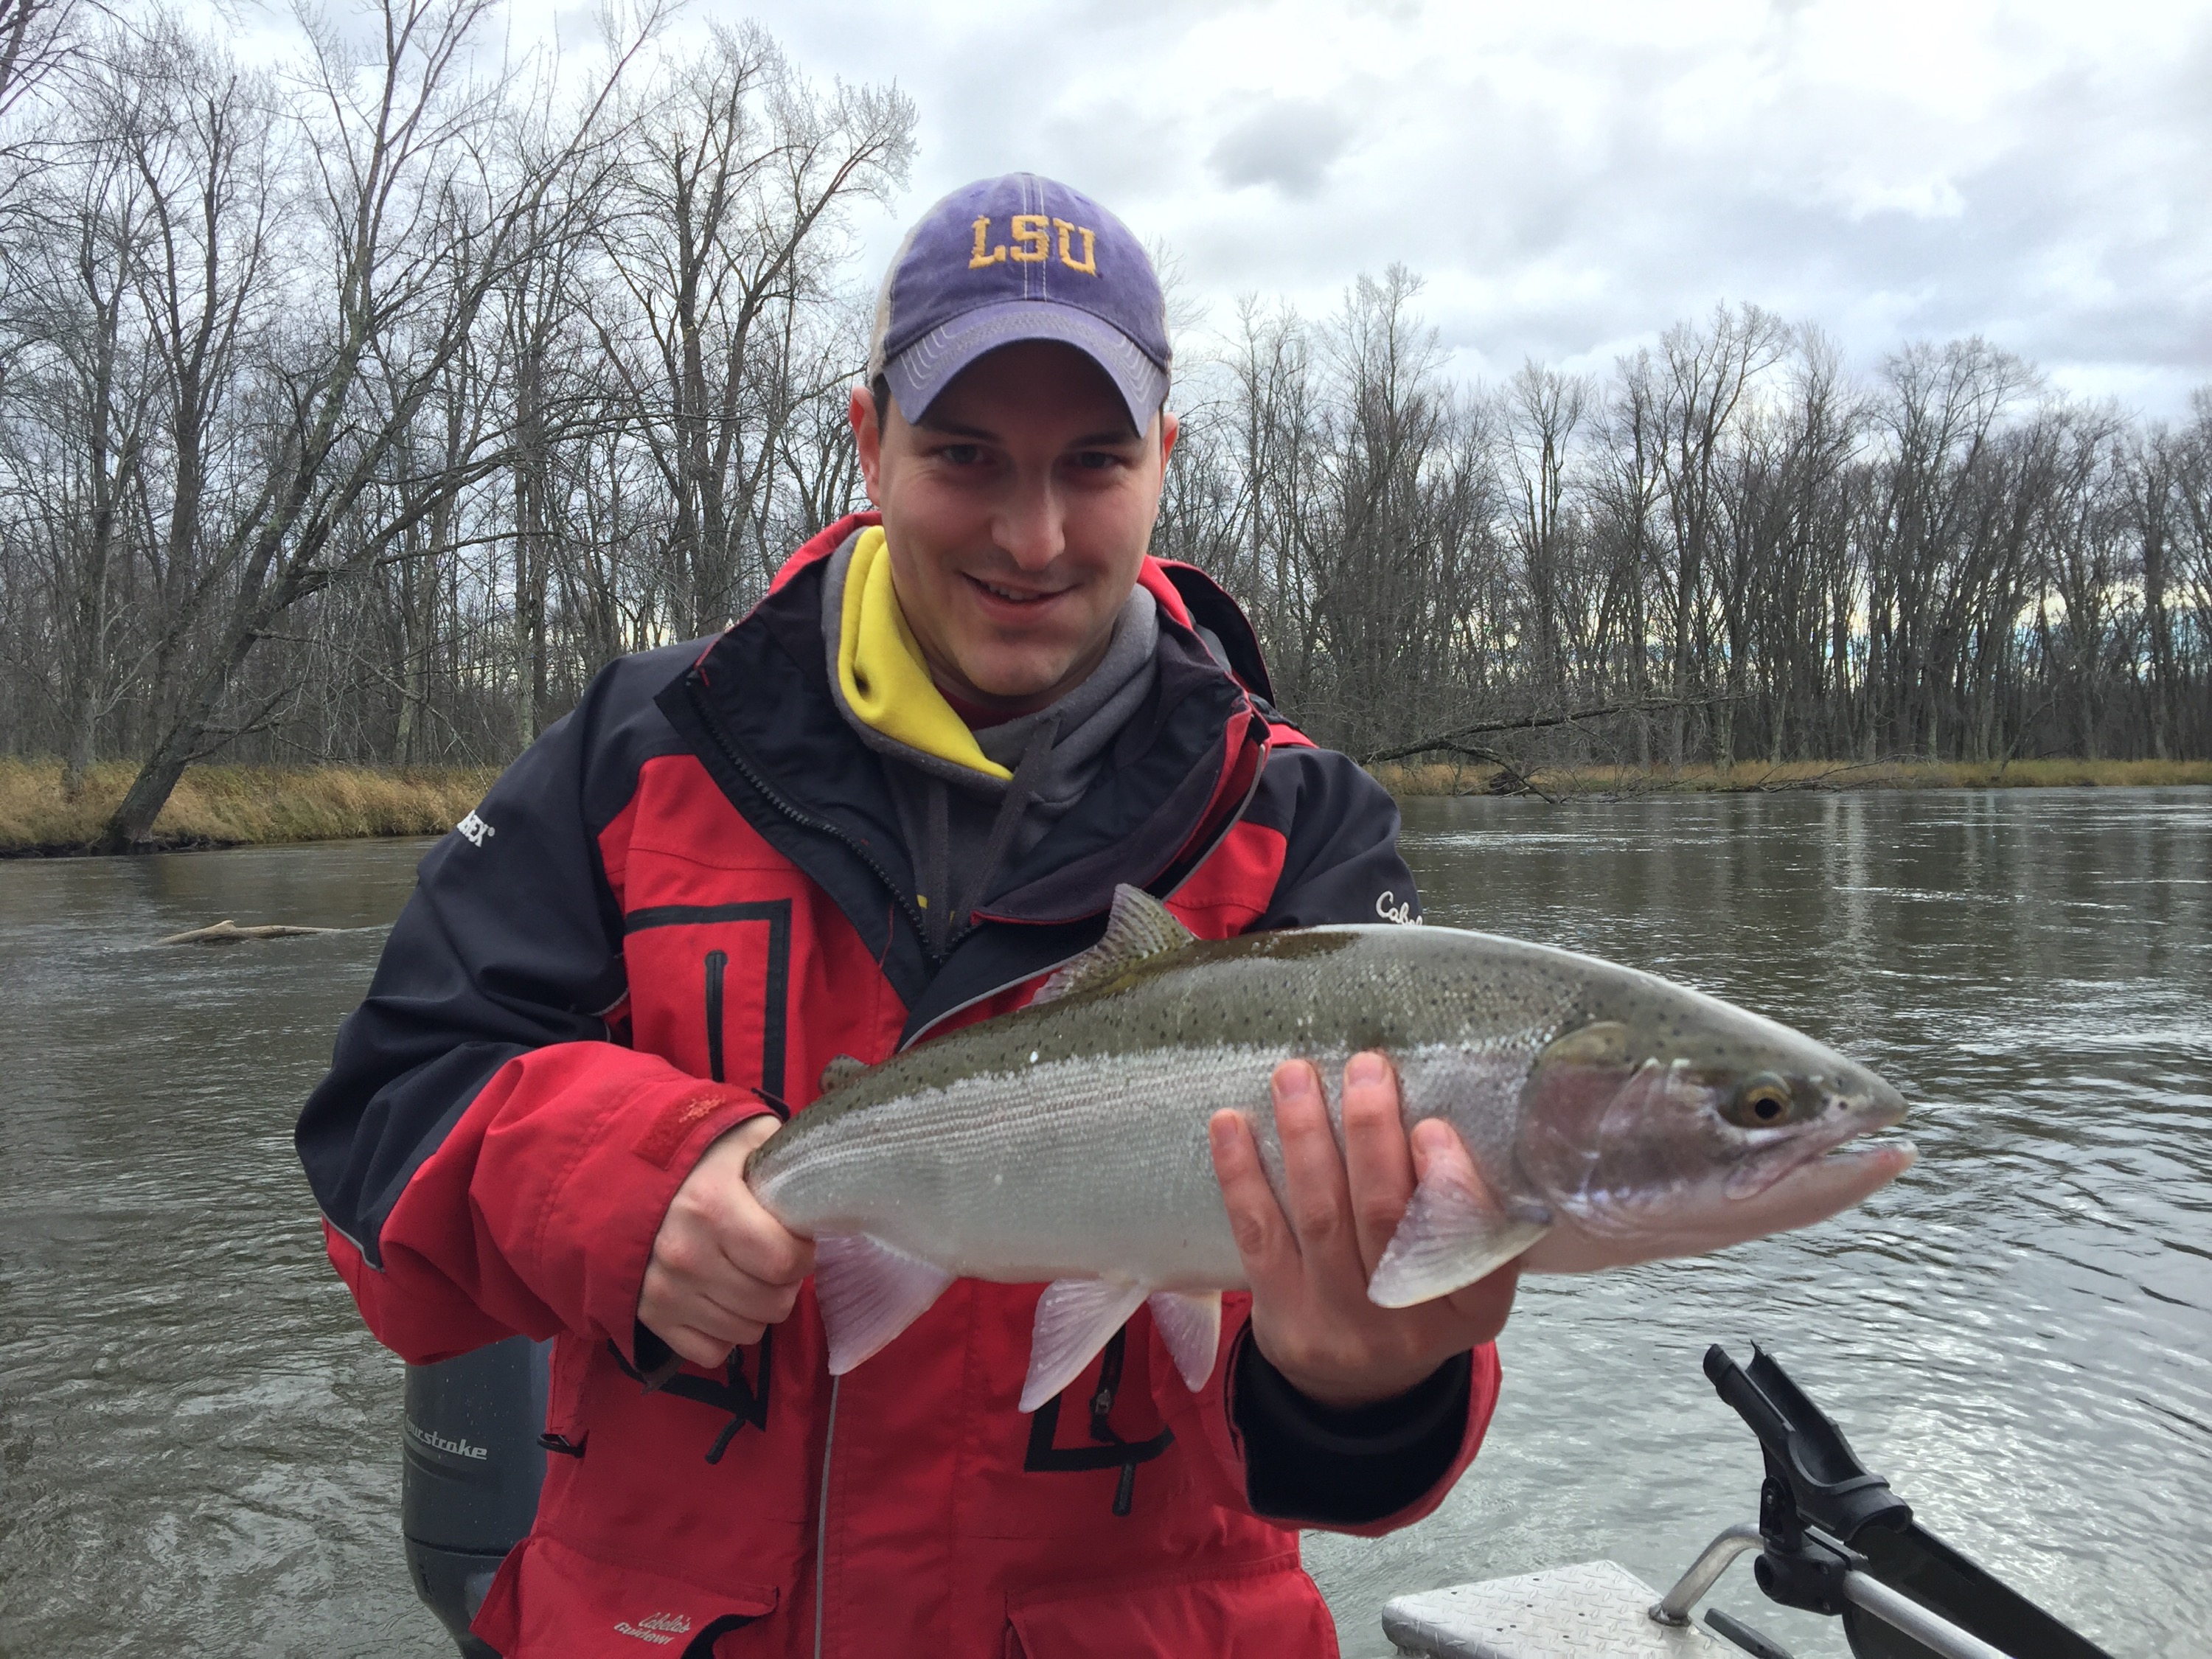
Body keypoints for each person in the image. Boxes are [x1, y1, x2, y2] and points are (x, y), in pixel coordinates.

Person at [297, 173, 1518, 1659]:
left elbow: (1335, 1457)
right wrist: (634, 1189)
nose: (1033, 535)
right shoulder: (638, 753)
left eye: (1093, 462)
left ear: (1165, 459)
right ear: (868, 441)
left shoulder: (1301, 827)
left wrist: (1361, 1381)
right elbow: (383, 1123)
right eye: (964, 456)